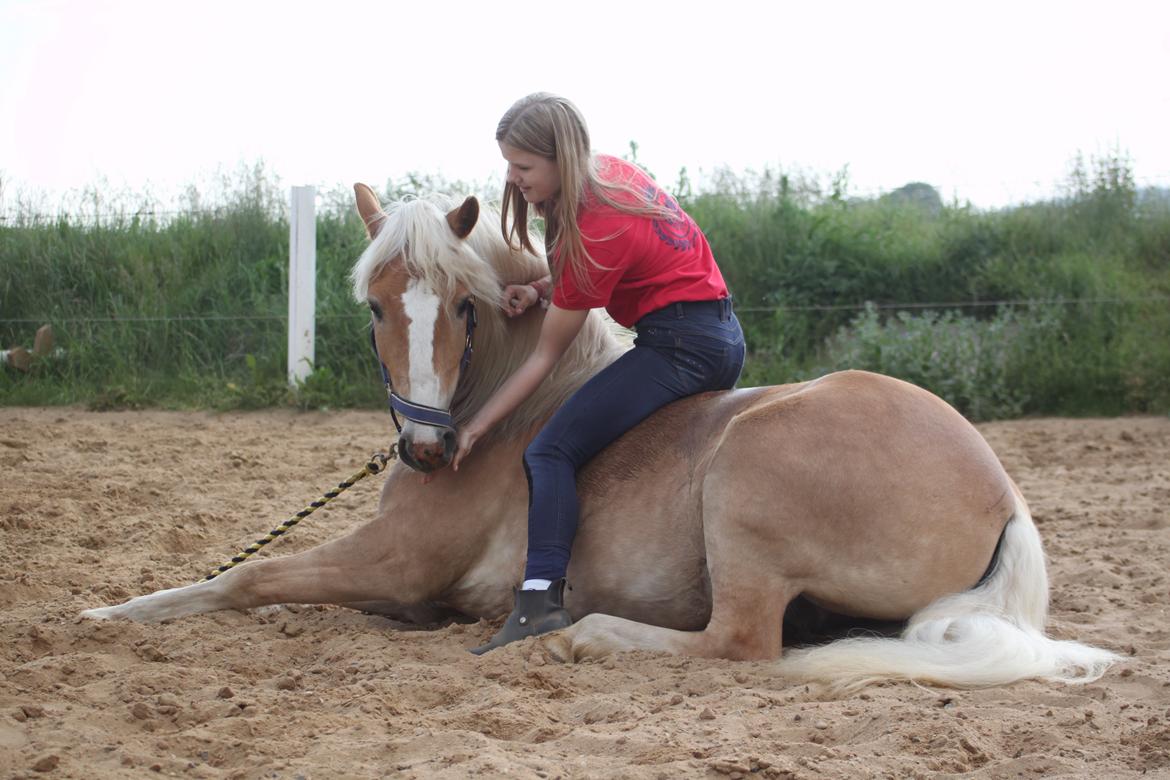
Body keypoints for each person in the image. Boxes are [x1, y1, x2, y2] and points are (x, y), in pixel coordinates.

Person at [453, 93, 745, 654]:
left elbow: (544, 358)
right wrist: (541, 289)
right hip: (712, 331)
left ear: (560, 157)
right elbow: (585, 281)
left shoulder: (597, 225)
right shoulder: (608, 173)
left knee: (549, 451)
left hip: (682, 347)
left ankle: (538, 602)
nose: (512, 180)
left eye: (523, 167)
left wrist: (477, 426)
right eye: (508, 165)